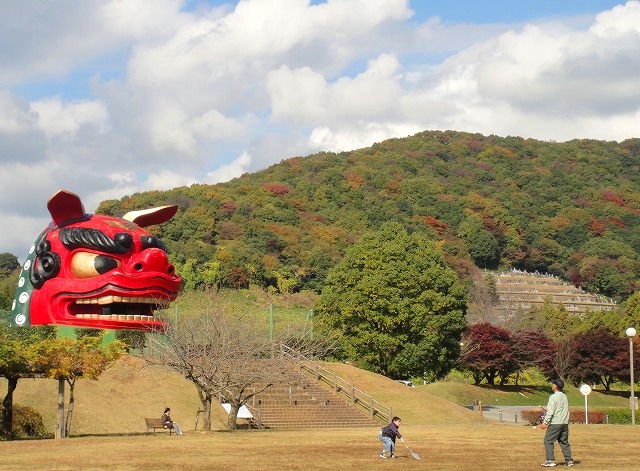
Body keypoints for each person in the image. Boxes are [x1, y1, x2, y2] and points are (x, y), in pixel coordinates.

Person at [540, 379, 573, 467]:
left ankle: (550, 460)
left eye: (553, 384)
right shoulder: (564, 396)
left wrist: (545, 422)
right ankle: (569, 460)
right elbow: (561, 409)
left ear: (555, 386)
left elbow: (551, 411)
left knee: (548, 441)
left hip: (555, 423)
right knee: (564, 442)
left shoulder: (553, 397)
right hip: (564, 422)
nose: (552, 385)